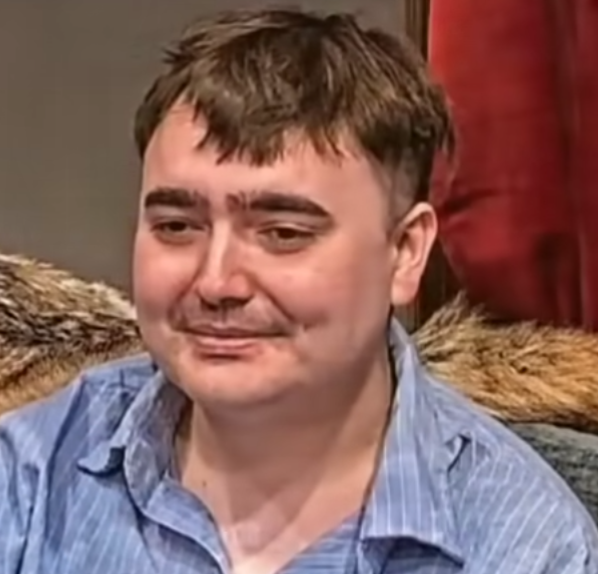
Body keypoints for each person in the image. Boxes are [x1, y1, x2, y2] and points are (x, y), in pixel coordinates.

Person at [0, 8, 596, 574]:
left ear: (405, 251)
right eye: (177, 227)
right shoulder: (31, 474)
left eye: (283, 233)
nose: (216, 282)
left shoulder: (524, 546)